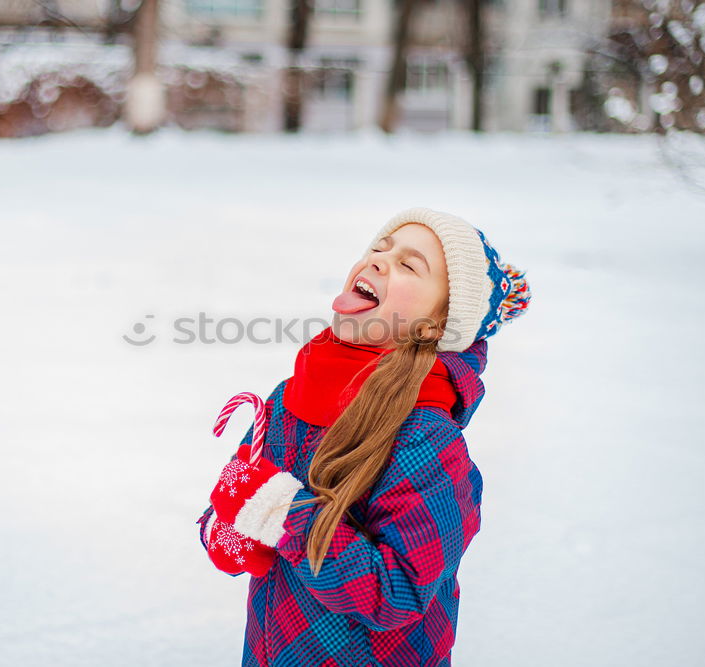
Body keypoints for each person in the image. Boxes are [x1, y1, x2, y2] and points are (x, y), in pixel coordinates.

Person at [195, 206, 532, 666]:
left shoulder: (426, 440)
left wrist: (279, 512)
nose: (378, 260)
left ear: (435, 326)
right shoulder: (290, 396)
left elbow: (396, 594)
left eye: (410, 265)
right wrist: (227, 527)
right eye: (378, 248)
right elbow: (240, 498)